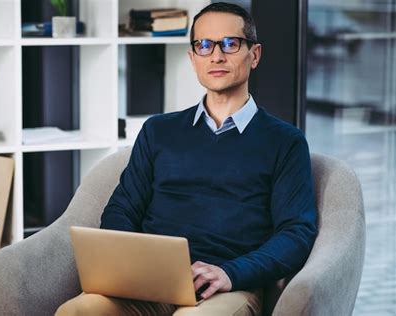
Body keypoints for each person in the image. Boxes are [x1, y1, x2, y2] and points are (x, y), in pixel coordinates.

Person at [56, 2, 317, 315]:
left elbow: (296, 234)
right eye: (204, 45)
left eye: (230, 44)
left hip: (226, 286)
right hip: (149, 283)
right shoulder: (159, 130)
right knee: (78, 311)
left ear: (255, 54)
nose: (216, 56)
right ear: (193, 59)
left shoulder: (285, 142)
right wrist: (124, 268)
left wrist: (231, 273)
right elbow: (123, 208)